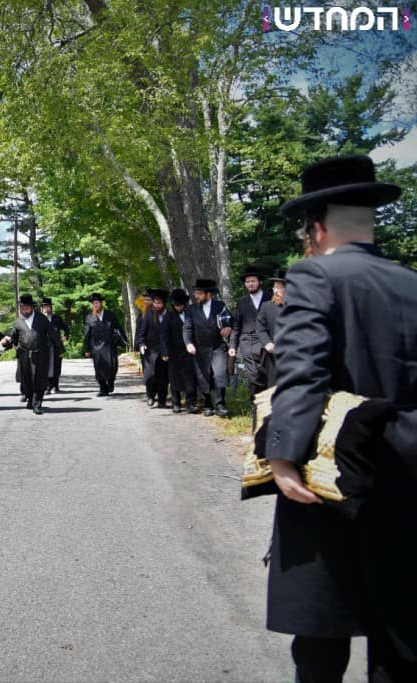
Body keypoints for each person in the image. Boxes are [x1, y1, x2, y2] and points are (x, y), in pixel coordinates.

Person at [263, 154, 416, 681]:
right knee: (399, 636)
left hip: (333, 472)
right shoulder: (411, 283)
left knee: (323, 636)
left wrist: (281, 455)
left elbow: (303, 372)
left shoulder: (313, 276)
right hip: (408, 477)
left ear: (319, 227)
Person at [2, 293, 63, 414]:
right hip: (24, 355)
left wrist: (60, 349)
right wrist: (6, 343)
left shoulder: (42, 319)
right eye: (23, 308)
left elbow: (53, 334)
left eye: (27, 308)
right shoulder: (18, 321)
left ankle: (37, 404)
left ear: (32, 307)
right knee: (27, 380)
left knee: (39, 380)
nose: (25, 310)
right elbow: (13, 337)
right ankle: (30, 398)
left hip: (40, 354)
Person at [182, 279, 233, 417]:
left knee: (220, 374)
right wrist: (188, 343)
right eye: (196, 293)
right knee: (203, 377)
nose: (196, 296)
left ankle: (220, 405)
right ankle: (207, 405)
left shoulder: (220, 306)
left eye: (199, 293)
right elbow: (187, 328)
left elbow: (229, 321)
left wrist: (228, 327)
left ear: (209, 294)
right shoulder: (191, 310)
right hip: (200, 348)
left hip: (217, 347)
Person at [229, 266, 271, 397]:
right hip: (248, 342)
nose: (250, 284)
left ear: (259, 282)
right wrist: (232, 345)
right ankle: (255, 404)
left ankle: (265, 403)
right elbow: (237, 326)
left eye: (253, 281)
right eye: (247, 282)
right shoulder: (242, 302)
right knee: (254, 373)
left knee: (266, 374)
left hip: (267, 342)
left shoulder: (270, 298)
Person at [159, 289, 196, 414]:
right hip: (173, 352)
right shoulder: (168, 317)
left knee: (190, 378)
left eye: (180, 305)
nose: (178, 307)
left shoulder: (190, 314)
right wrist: (164, 352)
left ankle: (191, 403)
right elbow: (163, 336)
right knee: (174, 378)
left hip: (189, 352)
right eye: (176, 305)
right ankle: (176, 403)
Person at [83, 293, 126, 397]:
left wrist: (124, 340)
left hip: (110, 345)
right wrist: (86, 349)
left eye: (97, 303)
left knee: (113, 366)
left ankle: (110, 382)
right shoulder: (89, 317)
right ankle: (103, 389)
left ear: (101, 303)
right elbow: (86, 334)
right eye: (94, 304)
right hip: (96, 347)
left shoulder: (110, 315)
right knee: (99, 368)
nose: (95, 305)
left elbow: (119, 327)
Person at [137, 290, 170, 408]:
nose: (156, 306)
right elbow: (142, 332)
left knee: (163, 378)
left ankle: (162, 401)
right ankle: (150, 396)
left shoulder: (169, 316)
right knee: (150, 376)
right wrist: (141, 344)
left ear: (164, 304)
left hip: (165, 352)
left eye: (159, 304)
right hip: (150, 351)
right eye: (155, 303)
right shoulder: (149, 314)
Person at [255, 272, 285, 390]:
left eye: (278, 287)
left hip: (293, 354)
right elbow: (260, 327)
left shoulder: (297, 306)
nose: (275, 290)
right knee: (273, 387)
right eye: (274, 287)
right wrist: (267, 342)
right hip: (273, 354)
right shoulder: (267, 306)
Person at [40, 298, 69, 394]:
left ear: (51, 308)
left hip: (56, 346)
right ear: (41, 308)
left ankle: (55, 385)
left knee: (56, 366)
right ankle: (47, 386)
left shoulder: (57, 318)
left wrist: (65, 336)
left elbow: (66, 328)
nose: (46, 309)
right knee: (45, 366)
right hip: (43, 346)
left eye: (48, 307)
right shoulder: (38, 319)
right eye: (44, 307)